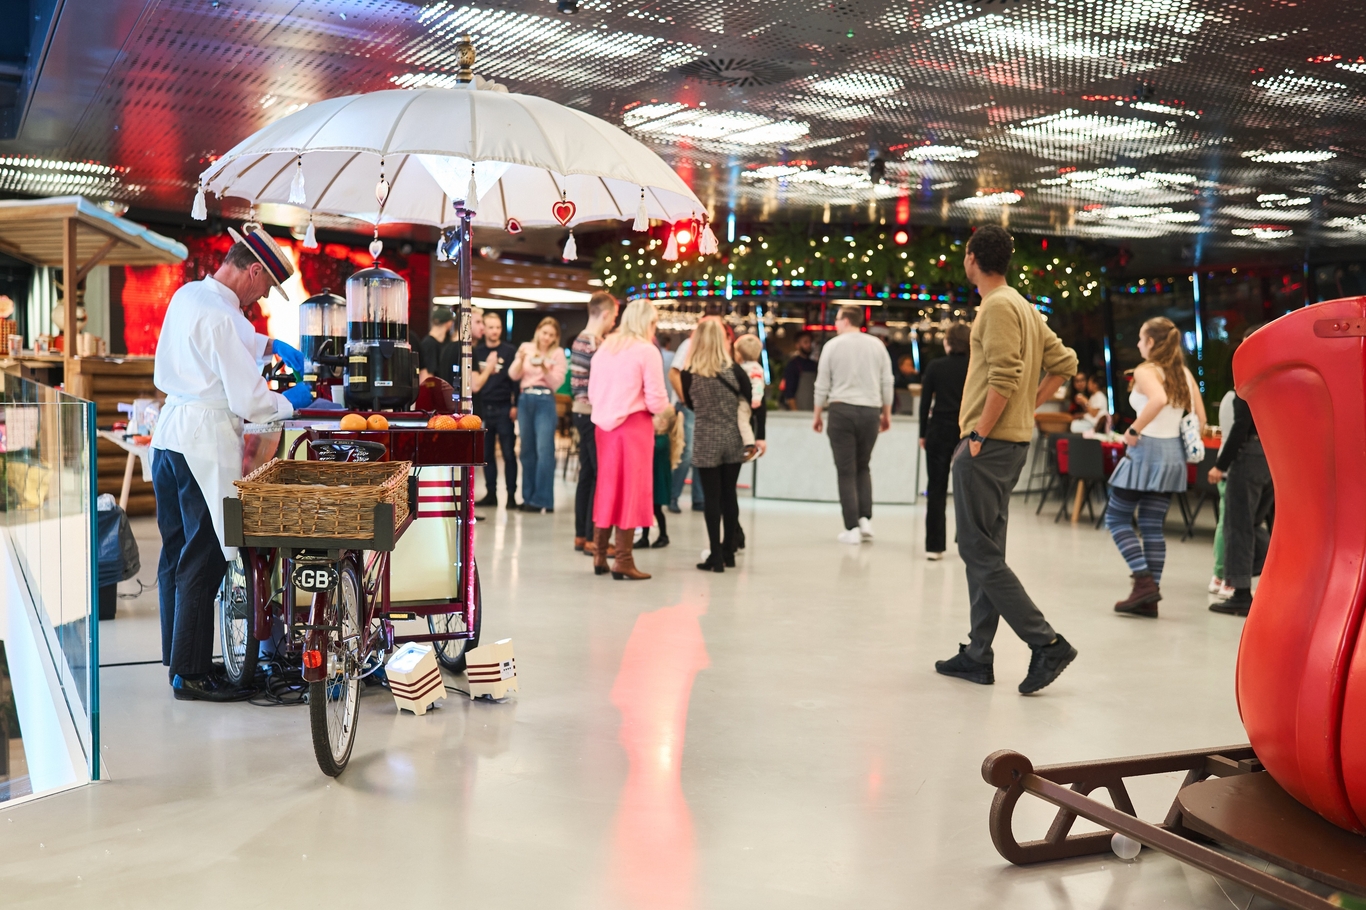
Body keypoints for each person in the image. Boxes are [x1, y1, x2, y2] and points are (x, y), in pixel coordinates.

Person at [152, 226, 312, 702]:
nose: (262, 297)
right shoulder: (221, 316)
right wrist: (293, 401)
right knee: (205, 557)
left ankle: (176, 658)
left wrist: (271, 347)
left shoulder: (191, 296)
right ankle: (193, 674)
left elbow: (237, 335)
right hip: (202, 444)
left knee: (176, 553)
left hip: (168, 440)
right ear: (254, 270)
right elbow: (252, 400)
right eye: (265, 287)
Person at [933, 224, 1079, 695]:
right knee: (986, 550)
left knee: (976, 550)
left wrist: (979, 431)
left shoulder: (995, 307)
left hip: (987, 445)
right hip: (1010, 444)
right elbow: (1066, 364)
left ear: (973, 257)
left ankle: (1047, 643)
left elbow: (1004, 373)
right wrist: (1026, 410)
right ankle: (979, 653)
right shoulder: (1024, 306)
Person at [1104, 316, 1206, 617]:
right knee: (1151, 526)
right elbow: (1199, 418)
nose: (1137, 344)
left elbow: (1158, 398)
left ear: (1151, 342)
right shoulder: (1184, 374)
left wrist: (1133, 430)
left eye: (1140, 338)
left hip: (1146, 449)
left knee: (1116, 518)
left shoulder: (1147, 370)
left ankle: (1144, 582)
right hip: (1173, 454)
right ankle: (1149, 601)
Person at [587, 299, 671, 580]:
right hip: (634, 427)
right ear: (647, 322)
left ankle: (600, 556)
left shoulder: (605, 348)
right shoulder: (647, 351)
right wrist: (666, 413)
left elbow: (591, 392)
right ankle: (623, 559)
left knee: (607, 488)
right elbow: (657, 398)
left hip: (604, 428)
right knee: (631, 491)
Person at [811, 306, 893, 545]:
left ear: (845, 320)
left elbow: (822, 384)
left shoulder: (832, 346)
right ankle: (865, 519)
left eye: (836, 319)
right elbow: (887, 381)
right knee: (863, 466)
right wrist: (886, 413)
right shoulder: (877, 345)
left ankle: (851, 528)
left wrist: (817, 414)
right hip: (870, 411)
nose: (835, 324)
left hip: (841, 410)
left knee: (845, 470)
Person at [682, 318, 760, 572]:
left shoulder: (689, 372)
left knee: (711, 499)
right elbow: (748, 403)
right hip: (732, 439)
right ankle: (729, 552)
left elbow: (691, 405)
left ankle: (715, 555)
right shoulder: (736, 372)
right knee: (730, 495)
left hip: (706, 438)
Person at [1208, 327, 1270, 617]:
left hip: (1248, 457)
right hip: (1273, 456)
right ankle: (1267, 574)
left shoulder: (1251, 382)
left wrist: (1221, 465)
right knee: (1257, 523)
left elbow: (1239, 429)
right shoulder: (1278, 380)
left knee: (1238, 525)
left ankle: (1241, 591)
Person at [570, 292, 620, 554]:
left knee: (588, 474)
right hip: (591, 413)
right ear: (605, 314)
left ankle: (581, 535)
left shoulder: (581, 339)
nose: (614, 322)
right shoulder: (594, 343)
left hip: (581, 412)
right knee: (599, 474)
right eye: (613, 316)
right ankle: (592, 538)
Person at [919, 322, 970, 560]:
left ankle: (934, 546)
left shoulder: (936, 366)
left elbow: (925, 402)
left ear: (947, 342)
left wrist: (922, 433)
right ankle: (967, 542)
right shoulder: (974, 367)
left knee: (936, 488)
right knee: (967, 489)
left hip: (938, 429)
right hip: (967, 431)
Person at [509, 316, 567, 514]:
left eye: (551, 335)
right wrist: (522, 359)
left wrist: (543, 367)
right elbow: (513, 375)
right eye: (544, 333)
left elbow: (556, 383)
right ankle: (528, 497)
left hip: (545, 400)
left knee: (544, 450)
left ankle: (543, 500)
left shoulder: (558, 353)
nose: (547, 337)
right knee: (526, 450)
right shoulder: (526, 347)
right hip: (526, 399)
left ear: (555, 337)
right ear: (538, 331)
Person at [472, 311, 519, 508]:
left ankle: (511, 496)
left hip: (504, 408)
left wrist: (515, 404)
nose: (495, 331)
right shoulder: (477, 352)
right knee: (487, 454)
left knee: (509, 453)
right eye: (490, 327)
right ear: (485, 329)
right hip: (484, 408)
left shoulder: (509, 351)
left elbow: (516, 380)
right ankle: (491, 494)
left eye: (498, 327)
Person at [667, 329, 706, 513]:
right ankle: (672, 496)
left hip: (703, 407)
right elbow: (674, 373)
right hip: (687, 407)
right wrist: (685, 401)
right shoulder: (688, 345)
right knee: (686, 452)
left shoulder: (712, 348)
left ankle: (699, 498)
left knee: (701, 452)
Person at [638, 405, 680, 549]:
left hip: (657, 482)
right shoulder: (657, 437)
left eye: (654, 417)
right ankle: (645, 537)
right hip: (652, 480)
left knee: (656, 510)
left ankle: (663, 535)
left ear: (663, 422)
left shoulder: (662, 440)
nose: (651, 419)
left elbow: (649, 449)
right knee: (647, 509)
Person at [780, 330, 817, 410]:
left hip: (813, 409)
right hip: (800, 410)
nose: (809, 345)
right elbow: (790, 393)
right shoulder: (792, 365)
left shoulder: (814, 365)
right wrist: (796, 413)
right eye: (805, 342)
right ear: (797, 345)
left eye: (810, 342)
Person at [418, 305, 454, 383]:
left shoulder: (432, 342)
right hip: (434, 391)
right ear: (449, 323)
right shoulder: (429, 344)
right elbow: (427, 376)